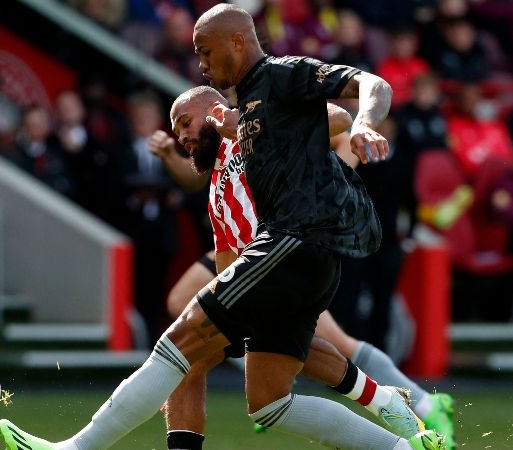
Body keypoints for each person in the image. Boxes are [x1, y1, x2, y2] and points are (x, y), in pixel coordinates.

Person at [0, 4, 443, 450]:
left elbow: (347, 108)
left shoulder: (271, 91)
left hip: (292, 244)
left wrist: (356, 123)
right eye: (177, 133)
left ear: (215, 105)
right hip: (289, 258)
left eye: (185, 123)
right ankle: (402, 441)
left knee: (182, 342)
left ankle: (75, 449)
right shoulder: (220, 181)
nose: (183, 137)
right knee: (268, 401)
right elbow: (226, 257)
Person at [150, 87, 455, 450]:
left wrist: (338, 165)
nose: (204, 63)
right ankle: (277, 373)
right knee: (187, 320)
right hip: (242, 242)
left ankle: (418, 403)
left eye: (207, 54)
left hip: (281, 251)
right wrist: (173, 155)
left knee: (324, 345)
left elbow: (337, 134)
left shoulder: (266, 97)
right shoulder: (226, 124)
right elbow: (199, 176)